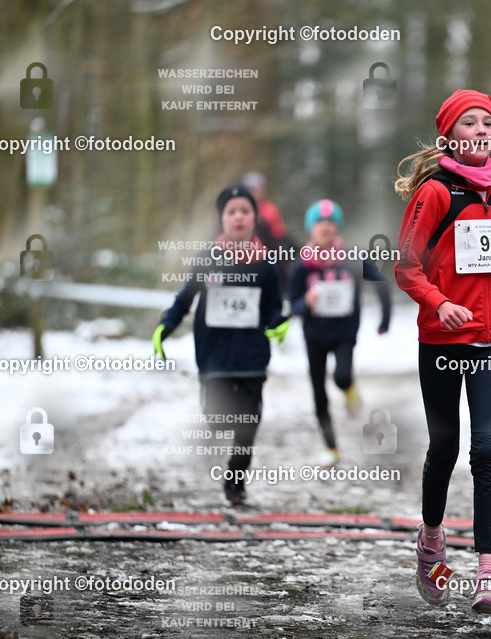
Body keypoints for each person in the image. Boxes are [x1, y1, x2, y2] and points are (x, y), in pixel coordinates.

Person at [394, 89, 491, 614]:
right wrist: (439, 304)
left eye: (487, 122)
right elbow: (406, 267)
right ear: (449, 136)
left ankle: (488, 576)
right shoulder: (435, 193)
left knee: (486, 451)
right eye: (469, 122)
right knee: (445, 449)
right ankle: (431, 542)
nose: (481, 130)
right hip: (442, 341)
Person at [153, 185, 289, 506]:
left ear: (254, 219)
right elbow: (185, 299)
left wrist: (278, 323)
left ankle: (235, 483)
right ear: (222, 219)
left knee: (247, 426)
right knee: (218, 419)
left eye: (245, 211)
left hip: (253, 358)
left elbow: (272, 307)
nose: (238, 217)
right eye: (231, 211)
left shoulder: (265, 264)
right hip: (214, 358)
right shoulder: (207, 259)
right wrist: (165, 326)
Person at [290, 199, 391, 468]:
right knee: (318, 393)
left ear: (337, 228)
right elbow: (294, 305)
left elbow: (380, 281)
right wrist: (306, 303)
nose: (324, 227)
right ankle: (330, 447)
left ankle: (349, 388)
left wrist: (385, 318)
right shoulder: (302, 265)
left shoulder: (351, 258)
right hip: (314, 335)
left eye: (330, 222)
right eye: (319, 222)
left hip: (344, 332)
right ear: (310, 228)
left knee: (341, 377)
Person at [241, 172, 295, 287]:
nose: (255, 192)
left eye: (257, 189)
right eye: (251, 189)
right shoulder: (239, 209)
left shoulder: (270, 210)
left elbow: (279, 235)